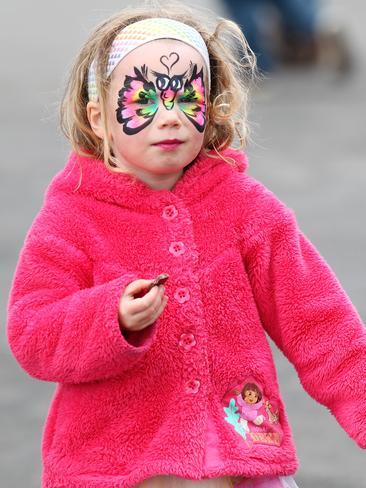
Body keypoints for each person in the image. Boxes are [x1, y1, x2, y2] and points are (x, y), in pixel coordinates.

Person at [6, 3, 365, 488]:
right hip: (111, 468)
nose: (170, 118)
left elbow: (320, 322)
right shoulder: (71, 216)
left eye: (187, 99)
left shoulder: (246, 208)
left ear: (212, 108)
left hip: (236, 462)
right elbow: (31, 334)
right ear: (98, 117)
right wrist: (109, 316)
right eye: (145, 100)